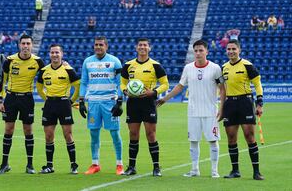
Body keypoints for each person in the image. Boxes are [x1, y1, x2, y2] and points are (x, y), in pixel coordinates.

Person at [156, 40, 226, 178]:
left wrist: (222, 108)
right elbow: (180, 86)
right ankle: (194, 170)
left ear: (207, 51)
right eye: (196, 50)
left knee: (213, 140)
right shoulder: (188, 68)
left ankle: (214, 170)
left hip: (211, 111)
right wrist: (165, 98)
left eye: (201, 50)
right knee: (193, 141)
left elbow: (222, 89)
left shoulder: (215, 68)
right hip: (193, 111)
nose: (198, 53)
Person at [120, 38, 169, 177]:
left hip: (148, 103)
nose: (142, 47)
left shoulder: (155, 65)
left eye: (145, 45)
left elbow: (165, 84)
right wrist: (125, 91)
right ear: (136, 48)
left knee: (151, 134)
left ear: (149, 48)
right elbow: (122, 83)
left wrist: (153, 92)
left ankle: (156, 167)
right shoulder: (128, 65)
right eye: (140, 45)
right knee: (133, 134)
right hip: (133, 103)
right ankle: (131, 167)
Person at [0, 34, 45, 175]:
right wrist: (0, 100)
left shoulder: (38, 62)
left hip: (27, 99)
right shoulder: (10, 60)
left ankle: (29, 165)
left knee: (28, 131)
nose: (25, 46)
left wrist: (64, 63)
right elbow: (2, 81)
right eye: (23, 43)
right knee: (8, 130)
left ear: (32, 45)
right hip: (11, 98)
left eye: (28, 43)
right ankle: (4, 164)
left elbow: (49, 73)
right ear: (19, 45)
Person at [79, 36, 124, 175]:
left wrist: (120, 101)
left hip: (109, 102)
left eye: (101, 45)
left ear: (106, 46)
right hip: (93, 102)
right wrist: (81, 101)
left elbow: (120, 82)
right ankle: (95, 164)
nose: (98, 47)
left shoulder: (114, 61)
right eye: (96, 45)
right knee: (93, 134)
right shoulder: (87, 62)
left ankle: (119, 164)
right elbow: (84, 82)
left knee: (115, 133)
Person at [221, 39, 264, 180]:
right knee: (231, 138)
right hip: (230, 104)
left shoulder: (247, 65)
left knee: (249, 137)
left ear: (239, 50)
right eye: (229, 49)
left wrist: (259, 103)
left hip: (245, 102)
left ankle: (256, 172)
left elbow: (257, 84)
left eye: (234, 49)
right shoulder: (224, 67)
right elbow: (221, 88)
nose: (231, 51)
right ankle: (235, 171)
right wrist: (221, 108)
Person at [36, 44, 80, 174]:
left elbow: (77, 85)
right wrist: (47, 99)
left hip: (64, 104)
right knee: (48, 135)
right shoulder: (44, 70)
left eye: (57, 53)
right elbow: (39, 88)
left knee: (68, 135)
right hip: (50, 104)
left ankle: (73, 165)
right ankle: (49, 166)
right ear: (49, 54)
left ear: (62, 54)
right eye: (52, 53)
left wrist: (71, 101)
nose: (54, 55)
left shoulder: (68, 69)